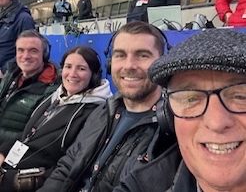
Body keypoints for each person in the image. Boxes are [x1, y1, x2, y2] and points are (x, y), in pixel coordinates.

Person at [37, 21, 175, 192]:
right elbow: (67, 167)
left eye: (142, 55)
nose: (129, 65)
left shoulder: (173, 128)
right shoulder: (102, 111)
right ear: (110, 63)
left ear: (163, 64)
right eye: (120, 55)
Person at [114, 28, 246, 192]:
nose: (216, 122)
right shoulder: (137, 186)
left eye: (241, 97)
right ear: (168, 115)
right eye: (190, 98)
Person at [0, 46, 112, 192]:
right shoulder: (55, 97)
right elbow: (27, 136)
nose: (72, 74)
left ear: (94, 75)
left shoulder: (96, 112)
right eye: (68, 66)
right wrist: (3, 152)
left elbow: (70, 167)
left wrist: (14, 180)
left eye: (81, 69)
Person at [0, 29, 59, 143]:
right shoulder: (11, 76)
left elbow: (32, 136)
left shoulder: (51, 89)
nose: (25, 56)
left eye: (33, 51)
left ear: (44, 55)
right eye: (20, 50)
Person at [0, 0, 35, 77]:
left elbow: (28, 52)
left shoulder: (24, 19)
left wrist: (4, 71)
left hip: (7, 77)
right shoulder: (3, 17)